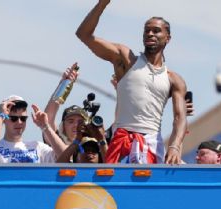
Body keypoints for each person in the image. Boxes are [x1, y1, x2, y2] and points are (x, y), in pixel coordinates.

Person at [76, 0, 188, 164]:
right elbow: (84, 35)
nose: (150, 34)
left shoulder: (174, 79)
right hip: (122, 140)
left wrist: (175, 146)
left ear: (167, 38)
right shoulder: (126, 60)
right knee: (116, 187)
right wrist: (102, 4)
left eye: (156, 31)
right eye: (147, 31)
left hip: (151, 144)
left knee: (146, 189)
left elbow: (180, 117)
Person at [0, 95, 66, 163]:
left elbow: (65, 156)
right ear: (4, 120)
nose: (19, 122)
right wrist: (1, 115)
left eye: (23, 118)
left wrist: (45, 126)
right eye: (14, 118)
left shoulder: (37, 146)